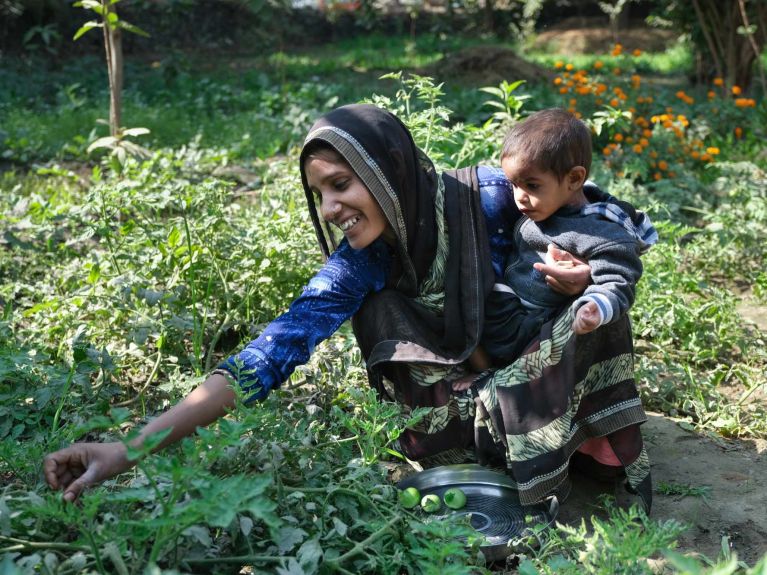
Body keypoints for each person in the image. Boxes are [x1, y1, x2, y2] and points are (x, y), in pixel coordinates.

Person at [44, 104, 652, 511]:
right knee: (384, 308)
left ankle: (582, 440)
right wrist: (129, 450)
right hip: (464, 408)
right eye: (320, 194)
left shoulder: (490, 198)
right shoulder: (363, 262)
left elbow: (597, 223)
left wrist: (580, 281)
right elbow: (271, 351)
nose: (331, 207)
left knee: (600, 309)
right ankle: (494, 443)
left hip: (534, 360)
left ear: (386, 173)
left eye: (342, 183)